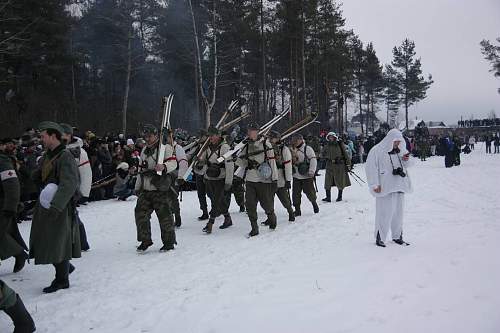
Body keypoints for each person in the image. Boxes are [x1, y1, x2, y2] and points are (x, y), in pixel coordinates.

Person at [30, 122, 81, 293]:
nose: (41, 139)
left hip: (58, 207)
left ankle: (62, 279)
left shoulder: (65, 156)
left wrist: (57, 206)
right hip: (47, 204)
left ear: (53, 136)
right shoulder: (48, 155)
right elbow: (42, 175)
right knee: (47, 240)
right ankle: (65, 268)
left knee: (57, 242)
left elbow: (69, 183)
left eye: (43, 135)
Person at [365, 129, 413, 247]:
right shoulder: (376, 150)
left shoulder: (400, 150)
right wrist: (374, 184)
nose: (397, 144)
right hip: (385, 187)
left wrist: (407, 160)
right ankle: (380, 236)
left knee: (398, 213)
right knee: (384, 213)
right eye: (395, 141)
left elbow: (407, 165)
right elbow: (371, 168)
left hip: (399, 186)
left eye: (398, 141)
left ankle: (397, 236)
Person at [134, 124, 177, 252]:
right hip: (146, 188)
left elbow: (173, 163)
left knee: (165, 217)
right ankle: (145, 240)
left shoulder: (165, 148)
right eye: (145, 136)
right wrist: (137, 187)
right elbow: (140, 170)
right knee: (140, 214)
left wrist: (164, 166)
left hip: (160, 188)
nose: (147, 139)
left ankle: (169, 243)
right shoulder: (144, 150)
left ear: (156, 135)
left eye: (150, 136)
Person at [236, 123, 278, 237]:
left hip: (263, 180)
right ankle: (254, 227)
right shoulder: (247, 145)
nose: (249, 133)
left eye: (252, 131)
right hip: (250, 179)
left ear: (257, 131)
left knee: (266, 204)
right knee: (249, 204)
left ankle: (271, 217)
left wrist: (274, 178)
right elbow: (243, 162)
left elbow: (272, 162)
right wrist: (235, 158)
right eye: (249, 131)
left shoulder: (266, 144)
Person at [199, 126, 234, 234]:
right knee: (217, 199)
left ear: (218, 135)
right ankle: (227, 218)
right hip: (209, 177)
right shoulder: (207, 146)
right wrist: (199, 160)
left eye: (213, 135)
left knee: (216, 201)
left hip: (220, 178)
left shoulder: (225, 147)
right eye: (209, 136)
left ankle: (210, 223)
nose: (211, 138)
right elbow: (203, 160)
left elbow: (230, 165)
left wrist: (228, 181)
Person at [0, 148, 29, 273]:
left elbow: (12, 184)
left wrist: (11, 207)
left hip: (3, 204)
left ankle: (19, 253)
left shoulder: (2, 161)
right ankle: (18, 253)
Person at [268, 130, 294, 222]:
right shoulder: (267, 148)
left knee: (284, 199)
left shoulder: (284, 149)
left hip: (280, 178)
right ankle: (270, 217)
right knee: (269, 200)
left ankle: (291, 212)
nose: (271, 140)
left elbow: (288, 166)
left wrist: (288, 180)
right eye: (270, 138)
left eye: (273, 138)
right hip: (269, 177)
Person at [291, 134, 319, 216]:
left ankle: (314, 203)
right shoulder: (292, 149)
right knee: (295, 194)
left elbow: (313, 160)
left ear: (301, 140)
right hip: (296, 175)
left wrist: (312, 171)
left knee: (310, 192)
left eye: (296, 140)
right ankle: (297, 210)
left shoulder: (308, 148)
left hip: (306, 175)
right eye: (294, 140)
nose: (295, 142)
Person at [321, 132, 351, 203]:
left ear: (334, 137)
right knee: (327, 181)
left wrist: (348, 164)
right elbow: (322, 154)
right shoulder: (326, 145)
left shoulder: (340, 144)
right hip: (329, 165)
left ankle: (339, 196)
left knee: (340, 181)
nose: (330, 138)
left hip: (339, 165)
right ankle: (328, 197)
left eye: (332, 137)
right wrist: (325, 156)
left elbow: (345, 154)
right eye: (329, 137)